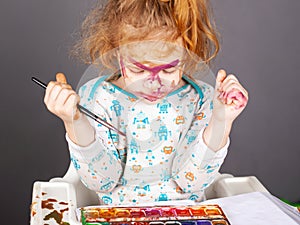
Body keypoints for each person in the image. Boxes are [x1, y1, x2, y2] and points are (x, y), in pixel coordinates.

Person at [44, 0, 248, 205]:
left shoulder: (200, 98)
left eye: (168, 70)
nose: (153, 84)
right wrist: (74, 122)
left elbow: (191, 183)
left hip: (187, 214)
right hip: (119, 216)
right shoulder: (98, 96)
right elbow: (102, 182)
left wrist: (221, 120)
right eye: (138, 70)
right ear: (116, 50)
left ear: (186, 54)